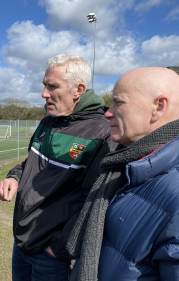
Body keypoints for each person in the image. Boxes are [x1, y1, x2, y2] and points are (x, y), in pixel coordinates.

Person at [0, 54, 112, 281]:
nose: (44, 93)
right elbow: (30, 163)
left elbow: (96, 201)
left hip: (51, 254)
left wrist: (58, 247)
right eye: (44, 85)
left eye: (53, 86)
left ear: (78, 89)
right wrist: (14, 177)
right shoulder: (48, 120)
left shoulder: (102, 134)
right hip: (22, 240)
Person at [67, 67, 179, 281]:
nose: (108, 112)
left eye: (119, 102)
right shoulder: (124, 163)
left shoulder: (173, 193)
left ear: (159, 107)